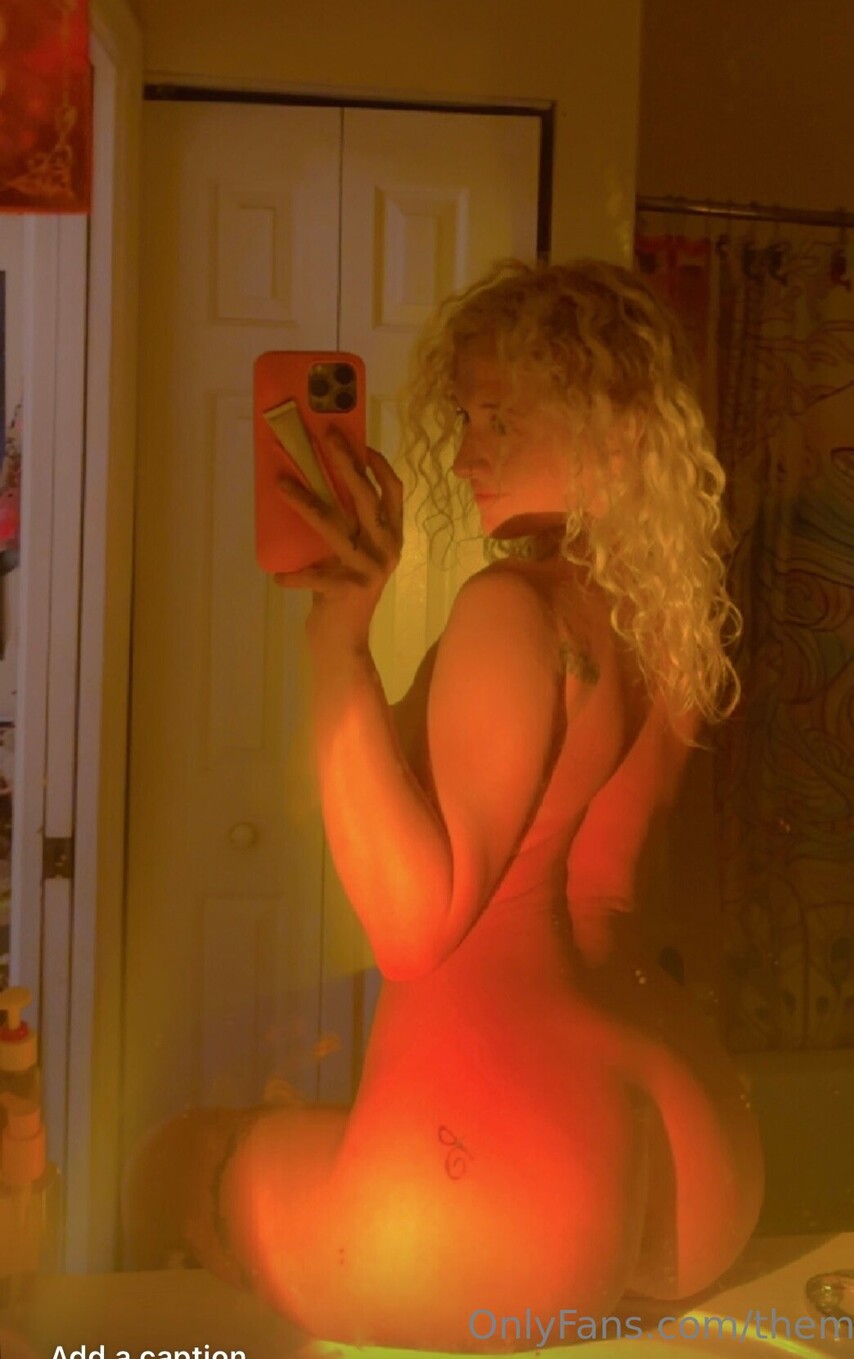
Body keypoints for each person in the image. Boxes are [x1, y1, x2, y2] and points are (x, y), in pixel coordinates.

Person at [123, 257, 764, 1352]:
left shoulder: (512, 607)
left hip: (501, 1178)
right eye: (467, 418)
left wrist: (337, 642)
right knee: (294, 1129)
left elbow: (414, 928)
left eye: (502, 419)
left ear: (614, 432)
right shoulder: (669, 622)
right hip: (689, 1143)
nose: (466, 454)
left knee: (176, 1162)